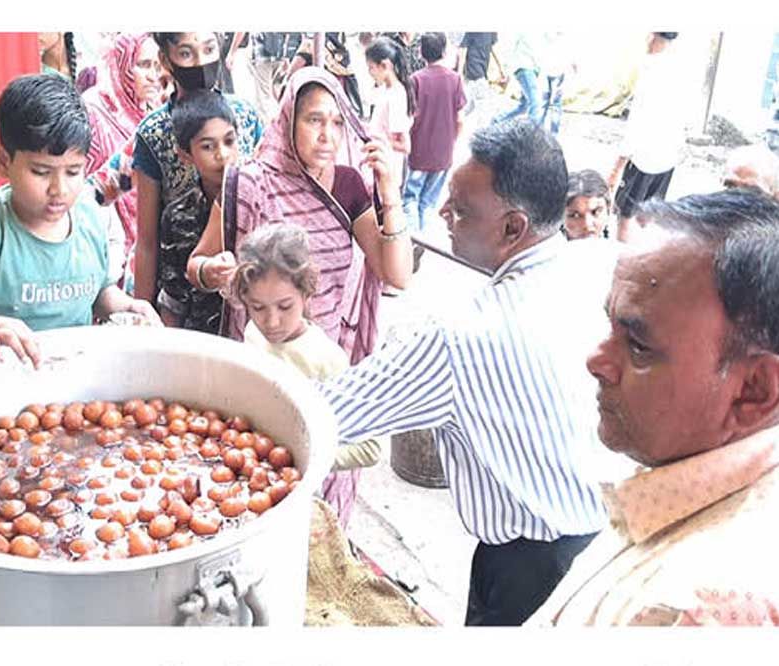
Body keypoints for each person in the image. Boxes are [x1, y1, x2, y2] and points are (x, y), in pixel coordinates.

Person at [319, 118, 619, 625]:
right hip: (604, 546)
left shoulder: (460, 337)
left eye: (459, 209)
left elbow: (322, 413)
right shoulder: (599, 266)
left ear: (512, 228)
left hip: (529, 570)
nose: (441, 212)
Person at [530, 188, 779, 626]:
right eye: (611, 325)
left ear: (754, 391)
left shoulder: (695, 612)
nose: (596, 361)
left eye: (639, 346)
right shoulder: (688, 463)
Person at [0, 74, 160, 368]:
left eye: (73, 171)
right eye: (41, 172)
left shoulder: (90, 218)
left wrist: (128, 307)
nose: (59, 189)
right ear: (4, 161)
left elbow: (99, 293)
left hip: (70, 390)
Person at [186, 66, 413, 365]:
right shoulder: (250, 183)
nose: (327, 136)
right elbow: (196, 265)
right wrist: (210, 270)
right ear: (288, 121)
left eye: (337, 123)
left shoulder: (348, 186)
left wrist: (390, 193)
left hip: (320, 353)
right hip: (256, 352)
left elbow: (396, 275)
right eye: (314, 120)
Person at [232, 223, 382, 476]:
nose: (271, 322)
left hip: (295, 482)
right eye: (257, 307)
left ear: (306, 293)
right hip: (250, 469)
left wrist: (302, 458)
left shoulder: (327, 360)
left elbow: (370, 448)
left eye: (285, 306)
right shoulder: (252, 333)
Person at [131, 32, 263, 309]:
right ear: (166, 60)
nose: (201, 62)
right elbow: (146, 240)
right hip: (183, 293)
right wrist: (142, 313)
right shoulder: (153, 133)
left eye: (209, 48)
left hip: (250, 290)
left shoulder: (246, 116)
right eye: (186, 53)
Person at [83, 33, 164, 284]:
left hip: (148, 239)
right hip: (108, 243)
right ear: (122, 64)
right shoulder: (94, 110)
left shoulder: (151, 110)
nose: (153, 76)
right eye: (143, 65)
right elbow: (87, 189)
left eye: (159, 66)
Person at [157, 89, 238, 332]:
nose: (222, 155)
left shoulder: (257, 198)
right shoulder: (177, 217)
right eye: (207, 146)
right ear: (185, 155)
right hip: (204, 340)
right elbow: (174, 300)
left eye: (229, 141)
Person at [607, 32, 684, 242]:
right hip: (668, 156)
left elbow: (638, 123)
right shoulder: (680, 67)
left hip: (644, 158)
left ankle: (625, 265)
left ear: (652, 35)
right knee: (649, 215)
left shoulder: (651, 69)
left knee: (626, 215)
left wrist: (617, 166)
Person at [403, 33, 466, 235]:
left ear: (421, 52)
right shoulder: (455, 80)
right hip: (443, 153)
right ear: (444, 51)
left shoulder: (416, 80)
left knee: (410, 198)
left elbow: (409, 118)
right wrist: (451, 141)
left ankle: (414, 241)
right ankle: (424, 239)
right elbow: (460, 119)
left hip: (418, 152)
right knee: (428, 202)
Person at [365, 36, 415, 192]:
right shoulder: (385, 91)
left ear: (385, 65)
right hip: (380, 166)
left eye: (371, 67)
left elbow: (405, 145)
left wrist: (378, 140)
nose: (369, 72)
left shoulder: (396, 96)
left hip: (389, 171)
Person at [457, 32, 504, 119]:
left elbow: (494, 48)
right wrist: (459, 74)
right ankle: (482, 131)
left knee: (470, 105)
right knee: (483, 105)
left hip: (480, 71)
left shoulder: (491, 32)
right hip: (474, 71)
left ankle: (450, 122)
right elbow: (463, 50)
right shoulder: (471, 32)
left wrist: (501, 68)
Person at [497, 33, 541, 125]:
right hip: (525, 67)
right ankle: (532, 134)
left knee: (524, 106)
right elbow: (509, 47)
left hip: (532, 70)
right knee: (535, 103)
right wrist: (505, 70)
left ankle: (498, 120)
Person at [564, 169, 612, 240]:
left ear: (608, 210)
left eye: (596, 212)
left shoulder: (621, 249)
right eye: (575, 216)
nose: (587, 224)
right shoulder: (548, 250)